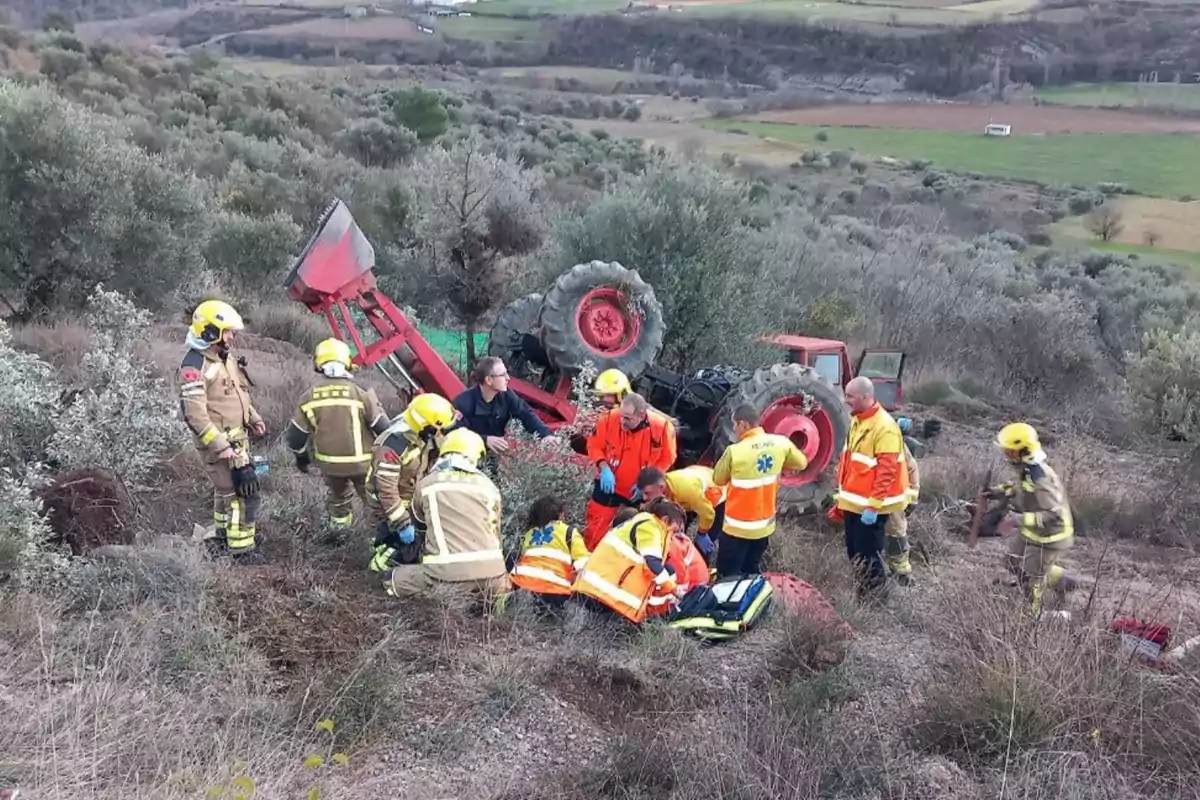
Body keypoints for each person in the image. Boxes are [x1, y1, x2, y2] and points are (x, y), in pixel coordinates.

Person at [178, 300, 266, 561]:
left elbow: (238, 393)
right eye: (227, 331)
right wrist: (221, 446)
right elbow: (194, 414)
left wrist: (253, 418)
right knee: (241, 494)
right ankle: (241, 551)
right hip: (221, 445)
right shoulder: (194, 366)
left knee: (225, 492)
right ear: (210, 332)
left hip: (237, 440)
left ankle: (223, 535)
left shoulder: (221, 357)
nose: (232, 336)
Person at [385, 427, 511, 603]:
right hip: (494, 578)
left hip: (446, 577)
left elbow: (419, 526)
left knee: (393, 579)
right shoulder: (491, 488)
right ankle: (495, 608)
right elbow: (495, 532)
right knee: (495, 592)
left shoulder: (427, 484)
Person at [286, 338, 391, 529]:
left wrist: (301, 459)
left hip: (330, 466)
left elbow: (295, 437)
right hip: (362, 465)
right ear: (347, 362)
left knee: (338, 499)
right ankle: (379, 542)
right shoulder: (360, 394)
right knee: (374, 505)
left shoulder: (309, 396)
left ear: (318, 363)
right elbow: (383, 427)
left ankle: (340, 535)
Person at [832, 377, 910, 599]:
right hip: (854, 502)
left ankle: (875, 598)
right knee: (854, 552)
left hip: (870, 506)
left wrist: (873, 507)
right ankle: (864, 592)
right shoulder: (859, 420)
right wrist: (842, 497)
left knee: (868, 555)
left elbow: (887, 471)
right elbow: (851, 462)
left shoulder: (884, 427)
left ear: (865, 397)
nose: (846, 401)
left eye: (850, 396)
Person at [989, 422, 1076, 616]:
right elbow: (1020, 488)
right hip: (1032, 530)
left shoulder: (1040, 478)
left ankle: (1029, 618)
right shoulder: (1027, 469)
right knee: (1012, 562)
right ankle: (1061, 579)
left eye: (1010, 452)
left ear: (1024, 450)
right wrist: (995, 492)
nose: (1006, 455)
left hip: (1049, 536)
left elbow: (1053, 514)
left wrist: (1017, 520)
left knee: (1030, 579)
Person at [711, 403, 808, 578]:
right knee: (751, 573)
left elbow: (717, 479)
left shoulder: (735, 451)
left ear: (743, 424)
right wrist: (782, 466)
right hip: (763, 529)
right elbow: (801, 463)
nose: (734, 428)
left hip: (736, 529)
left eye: (735, 424)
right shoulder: (780, 443)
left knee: (727, 578)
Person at [366, 393, 456, 574]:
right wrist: (402, 522)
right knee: (408, 545)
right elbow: (385, 489)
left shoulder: (423, 435)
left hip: (411, 496)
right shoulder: (393, 445)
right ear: (428, 428)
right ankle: (381, 567)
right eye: (441, 429)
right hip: (390, 503)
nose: (443, 433)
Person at [583, 392, 678, 549]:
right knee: (595, 528)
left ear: (641, 415)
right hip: (609, 484)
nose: (621, 421)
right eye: (621, 415)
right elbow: (594, 445)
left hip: (639, 491)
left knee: (635, 534)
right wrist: (603, 467)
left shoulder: (662, 429)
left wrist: (647, 483)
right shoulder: (608, 419)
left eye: (627, 418)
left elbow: (668, 458)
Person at [572, 498, 688, 624]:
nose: (674, 535)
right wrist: (675, 590)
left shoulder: (645, 522)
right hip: (601, 592)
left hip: (598, 588)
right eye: (675, 530)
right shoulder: (650, 527)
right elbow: (652, 564)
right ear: (666, 519)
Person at [451, 356, 556, 465]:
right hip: (465, 461)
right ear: (489, 380)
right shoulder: (463, 403)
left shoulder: (506, 396)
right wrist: (485, 440)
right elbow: (454, 433)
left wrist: (545, 434)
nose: (508, 378)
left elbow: (525, 413)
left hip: (491, 460)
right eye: (502, 375)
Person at [509, 495, 590, 607]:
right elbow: (583, 564)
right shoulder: (569, 532)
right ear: (560, 515)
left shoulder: (529, 535)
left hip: (524, 586)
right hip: (555, 591)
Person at [636, 465, 725, 563]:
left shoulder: (688, 492)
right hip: (697, 476)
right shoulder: (664, 484)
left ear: (661, 487)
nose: (644, 498)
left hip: (717, 493)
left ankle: (701, 566)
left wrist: (702, 533)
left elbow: (708, 513)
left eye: (647, 493)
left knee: (702, 546)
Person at [882, 416, 922, 586]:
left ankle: (901, 575)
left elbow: (911, 467)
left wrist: (913, 498)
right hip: (868, 499)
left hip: (892, 497)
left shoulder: (894, 442)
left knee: (896, 534)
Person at [645, 523, 710, 617]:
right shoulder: (664, 537)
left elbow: (679, 580)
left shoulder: (670, 549)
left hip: (694, 589)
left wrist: (654, 611)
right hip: (696, 581)